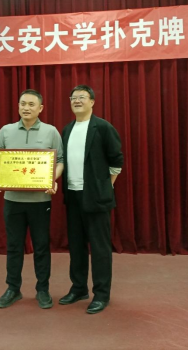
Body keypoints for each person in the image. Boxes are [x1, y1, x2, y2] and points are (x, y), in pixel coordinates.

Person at [0, 90, 64, 310]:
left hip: (40, 201)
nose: (26, 108)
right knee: (13, 246)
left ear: (40, 108)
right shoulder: (6, 130)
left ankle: (43, 289)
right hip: (13, 200)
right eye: (23, 103)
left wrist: (52, 180)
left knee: (41, 246)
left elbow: (60, 160)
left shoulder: (51, 131)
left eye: (31, 104)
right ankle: (13, 288)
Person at [59, 85, 124, 315]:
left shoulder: (103, 127)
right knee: (76, 246)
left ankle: (101, 294)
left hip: (96, 197)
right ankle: (78, 288)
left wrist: (105, 186)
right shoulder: (67, 129)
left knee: (100, 248)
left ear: (92, 102)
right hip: (73, 195)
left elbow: (116, 160)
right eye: (73, 97)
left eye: (82, 97)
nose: (77, 101)